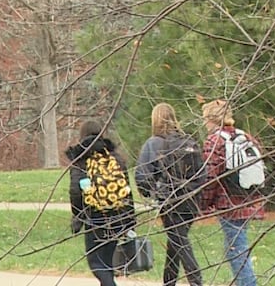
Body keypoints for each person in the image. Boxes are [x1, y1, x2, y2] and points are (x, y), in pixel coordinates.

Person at [136, 103, 204, 286]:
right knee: (175, 241)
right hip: (191, 201)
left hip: (170, 201)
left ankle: (196, 281)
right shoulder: (189, 142)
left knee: (179, 241)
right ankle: (169, 281)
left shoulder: (154, 143)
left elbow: (143, 176)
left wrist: (150, 193)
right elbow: (202, 173)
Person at [65, 120, 137, 286]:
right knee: (107, 262)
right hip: (118, 216)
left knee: (96, 263)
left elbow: (76, 192)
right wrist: (130, 221)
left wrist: (78, 216)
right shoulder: (115, 158)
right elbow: (126, 190)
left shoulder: (81, 160)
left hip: (95, 219)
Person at [200, 100, 263, 286]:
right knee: (235, 247)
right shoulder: (246, 137)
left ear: (211, 118)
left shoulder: (214, 141)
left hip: (228, 203)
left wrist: (203, 204)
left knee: (237, 249)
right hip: (248, 199)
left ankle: (247, 284)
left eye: (205, 118)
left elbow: (210, 177)